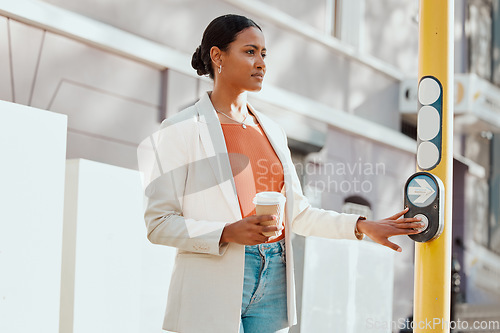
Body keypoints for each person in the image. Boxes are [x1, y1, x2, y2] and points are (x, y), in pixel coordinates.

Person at [141, 14, 424, 333]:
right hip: (214, 279)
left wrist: (362, 226)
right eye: (250, 52)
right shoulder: (180, 129)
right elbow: (159, 223)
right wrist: (227, 232)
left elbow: (299, 214)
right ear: (218, 56)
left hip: (275, 275)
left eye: (264, 53)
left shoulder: (272, 131)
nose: (261, 62)